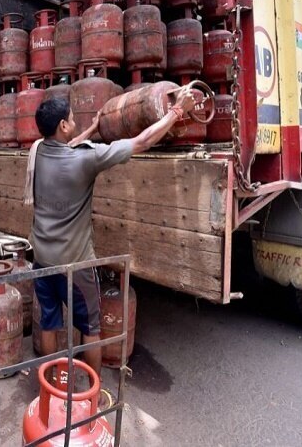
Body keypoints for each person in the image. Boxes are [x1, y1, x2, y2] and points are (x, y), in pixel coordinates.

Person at [24, 88, 196, 382]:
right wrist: (176, 111)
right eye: (72, 119)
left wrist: (92, 128)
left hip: (42, 258)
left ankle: (50, 388)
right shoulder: (86, 160)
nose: (75, 121)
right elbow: (141, 141)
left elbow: (70, 145)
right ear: (63, 126)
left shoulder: (38, 150)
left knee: (50, 324)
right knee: (91, 328)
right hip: (74, 264)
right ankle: (94, 395)